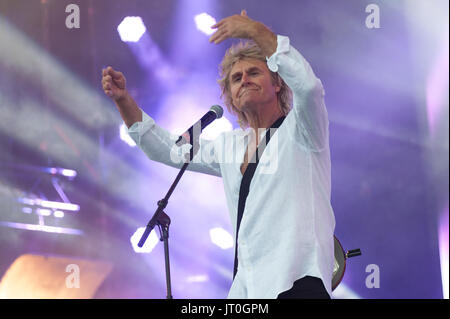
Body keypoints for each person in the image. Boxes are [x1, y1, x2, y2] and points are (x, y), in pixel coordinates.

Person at [102, 10, 335, 299]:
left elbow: (309, 87)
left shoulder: (301, 129)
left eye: (253, 73)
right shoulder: (230, 146)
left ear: (277, 83)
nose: (244, 81)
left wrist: (255, 31)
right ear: (231, 96)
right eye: (236, 79)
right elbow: (168, 150)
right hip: (248, 289)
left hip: (297, 282)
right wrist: (124, 102)